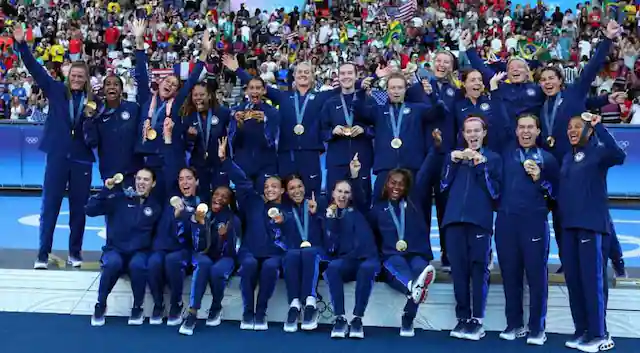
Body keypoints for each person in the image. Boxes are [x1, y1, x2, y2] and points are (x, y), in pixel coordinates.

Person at [537, 20, 620, 270]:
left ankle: (616, 258)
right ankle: (567, 260)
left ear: (561, 81)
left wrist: (607, 39)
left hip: (581, 167)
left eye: (551, 78)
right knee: (561, 217)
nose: (547, 82)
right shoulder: (542, 106)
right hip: (557, 170)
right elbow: (586, 105)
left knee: (596, 213)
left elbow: (592, 68)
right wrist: (603, 99)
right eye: (543, 79)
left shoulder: (573, 93)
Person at [14, 24, 95, 269]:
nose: (77, 80)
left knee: (79, 211)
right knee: (50, 206)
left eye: (81, 77)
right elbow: (36, 70)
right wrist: (22, 45)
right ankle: (42, 254)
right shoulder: (56, 90)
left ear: (86, 79)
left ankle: (74, 253)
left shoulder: (93, 101)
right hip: (58, 155)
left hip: (81, 158)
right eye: (74, 76)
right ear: (68, 78)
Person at [224, 56, 342, 196]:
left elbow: (345, 88)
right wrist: (238, 70)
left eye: (307, 72)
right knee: (285, 195)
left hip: (310, 153)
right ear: (294, 76)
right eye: (300, 72)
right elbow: (258, 87)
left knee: (311, 196)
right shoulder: (283, 97)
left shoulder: (320, 97)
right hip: (286, 155)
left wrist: (364, 82)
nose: (303, 74)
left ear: (313, 77)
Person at [560, 113, 625, 353]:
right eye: (569, 126)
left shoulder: (598, 152)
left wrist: (601, 127)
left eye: (578, 126)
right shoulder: (567, 157)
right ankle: (583, 330)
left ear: (588, 130)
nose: (572, 130)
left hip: (591, 225)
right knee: (575, 282)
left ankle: (600, 334)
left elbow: (619, 156)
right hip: (569, 227)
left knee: (592, 281)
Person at [494, 114, 559, 345]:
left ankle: (537, 327)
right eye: (521, 127)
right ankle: (514, 324)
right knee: (510, 275)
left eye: (530, 127)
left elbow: (556, 194)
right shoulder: (505, 155)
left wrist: (541, 180)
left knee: (536, 277)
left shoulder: (548, 159)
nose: (525, 131)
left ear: (538, 131)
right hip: (505, 223)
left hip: (533, 222)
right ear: (515, 131)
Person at [367, 130, 440, 337]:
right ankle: (410, 303)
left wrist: (435, 148)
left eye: (401, 183)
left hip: (416, 253)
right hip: (392, 256)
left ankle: (411, 300)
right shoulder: (377, 209)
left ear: (407, 186)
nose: (396, 187)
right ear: (386, 184)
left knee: (420, 269)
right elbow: (371, 237)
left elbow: (425, 172)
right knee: (400, 269)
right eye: (393, 183)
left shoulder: (415, 202)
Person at [441, 115, 502, 341]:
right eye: (469, 131)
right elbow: (443, 185)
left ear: (484, 133)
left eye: (477, 131)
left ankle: (477, 319)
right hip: (454, 220)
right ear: (463, 134)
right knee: (458, 271)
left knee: (479, 270)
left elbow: (495, 193)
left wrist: (481, 166)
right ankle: (462, 317)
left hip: (480, 222)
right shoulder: (455, 157)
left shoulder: (493, 158)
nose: (473, 135)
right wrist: (451, 162)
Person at [218, 136, 284, 331]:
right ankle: (248, 312)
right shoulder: (252, 201)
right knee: (248, 264)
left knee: (270, 267)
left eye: (274, 187)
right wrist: (225, 160)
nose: (270, 189)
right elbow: (241, 180)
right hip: (249, 250)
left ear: (281, 191)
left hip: (274, 252)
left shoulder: (287, 209)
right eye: (267, 187)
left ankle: (261, 311)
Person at [86, 167, 162, 326]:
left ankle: (137, 307)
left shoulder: (156, 207)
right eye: (139, 178)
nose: (141, 182)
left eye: (146, 180)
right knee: (112, 263)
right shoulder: (118, 198)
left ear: (153, 184)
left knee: (138, 265)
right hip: (116, 249)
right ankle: (100, 304)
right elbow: (90, 210)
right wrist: (105, 190)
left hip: (140, 252)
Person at [357, 72, 440, 200]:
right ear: (387, 90)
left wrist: (432, 95)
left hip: (411, 168)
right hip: (385, 167)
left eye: (400, 88)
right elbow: (358, 109)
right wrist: (361, 90)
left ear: (406, 89)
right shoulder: (377, 110)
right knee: (382, 209)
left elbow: (439, 111)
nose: (396, 91)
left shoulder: (417, 109)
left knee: (414, 210)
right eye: (392, 88)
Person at [323, 154, 380, 339]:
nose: (343, 195)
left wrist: (354, 175)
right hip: (346, 260)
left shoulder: (360, 209)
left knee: (367, 269)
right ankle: (339, 317)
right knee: (332, 269)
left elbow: (360, 194)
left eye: (346, 192)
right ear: (332, 193)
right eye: (339, 191)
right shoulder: (328, 216)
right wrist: (331, 221)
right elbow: (330, 247)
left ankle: (357, 318)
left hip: (367, 258)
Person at [147, 118, 193, 326]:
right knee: (155, 262)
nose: (185, 182)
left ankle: (176, 303)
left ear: (196, 182)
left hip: (181, 250)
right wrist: (166, 138)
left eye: (189, 178)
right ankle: (158, 304)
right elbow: (169, 165)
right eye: (181, 179)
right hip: (161, 246)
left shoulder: (201, 203)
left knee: (172, 261)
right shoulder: (169, 194)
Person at [179, 185, 241, 336]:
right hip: (205, 256)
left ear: (229, 201)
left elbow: (234, 251)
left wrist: (225, 237)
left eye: (224, 196)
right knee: (203, 264)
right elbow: (198, 247)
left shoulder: (234, 220)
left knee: (217, 271)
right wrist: (199, 226)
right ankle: (192, 312)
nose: (219, 198)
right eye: (217, 194)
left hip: (226, 257)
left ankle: (216, 307)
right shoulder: (203, 215)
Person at [321, 63, 373, 202]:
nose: (346, 77)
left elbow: (379, 127)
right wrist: (332, 132)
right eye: (342, 73)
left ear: (356, 76)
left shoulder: (367, 100)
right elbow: (322, 132)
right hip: (337, 162)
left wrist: (365, 130)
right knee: (333, 204)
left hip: (361, 161)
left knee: (362, 203)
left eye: (349, 73)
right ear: (338, 77)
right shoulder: (330, 103)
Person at [281, 178, 324, 332]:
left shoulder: (318, 203)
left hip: (318, 251)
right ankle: (294, 305)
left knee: (309, 253)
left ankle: (310, 303)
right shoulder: (284, 210)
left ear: (305, 187)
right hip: (296, 252)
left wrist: (316, 213)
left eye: (300, 186)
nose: (297, 190)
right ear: (286, 192)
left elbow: (330, 230)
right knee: (291, 254)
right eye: (292, 188)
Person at [83, 74, 141, 186]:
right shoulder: (98, 113)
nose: (112, 87)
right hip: (109, 172)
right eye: (108, 84)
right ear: (103, 90)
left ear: (121, 89)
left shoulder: (133, 108)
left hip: (134, 171)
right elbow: (92, 142)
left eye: (116, 84)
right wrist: (89, 119)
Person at [228, 77, 280, 190]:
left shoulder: (273, 113)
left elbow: (273, 142)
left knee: (264, 199)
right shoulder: (236, 111)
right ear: (246, 91)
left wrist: (266, 122)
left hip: (266, 165)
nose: (254, 91)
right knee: (243, 200)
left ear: (264, 91)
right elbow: (232, 141)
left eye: (258, 88)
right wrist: (237, 125)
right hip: (243, 164)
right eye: (251, 88)